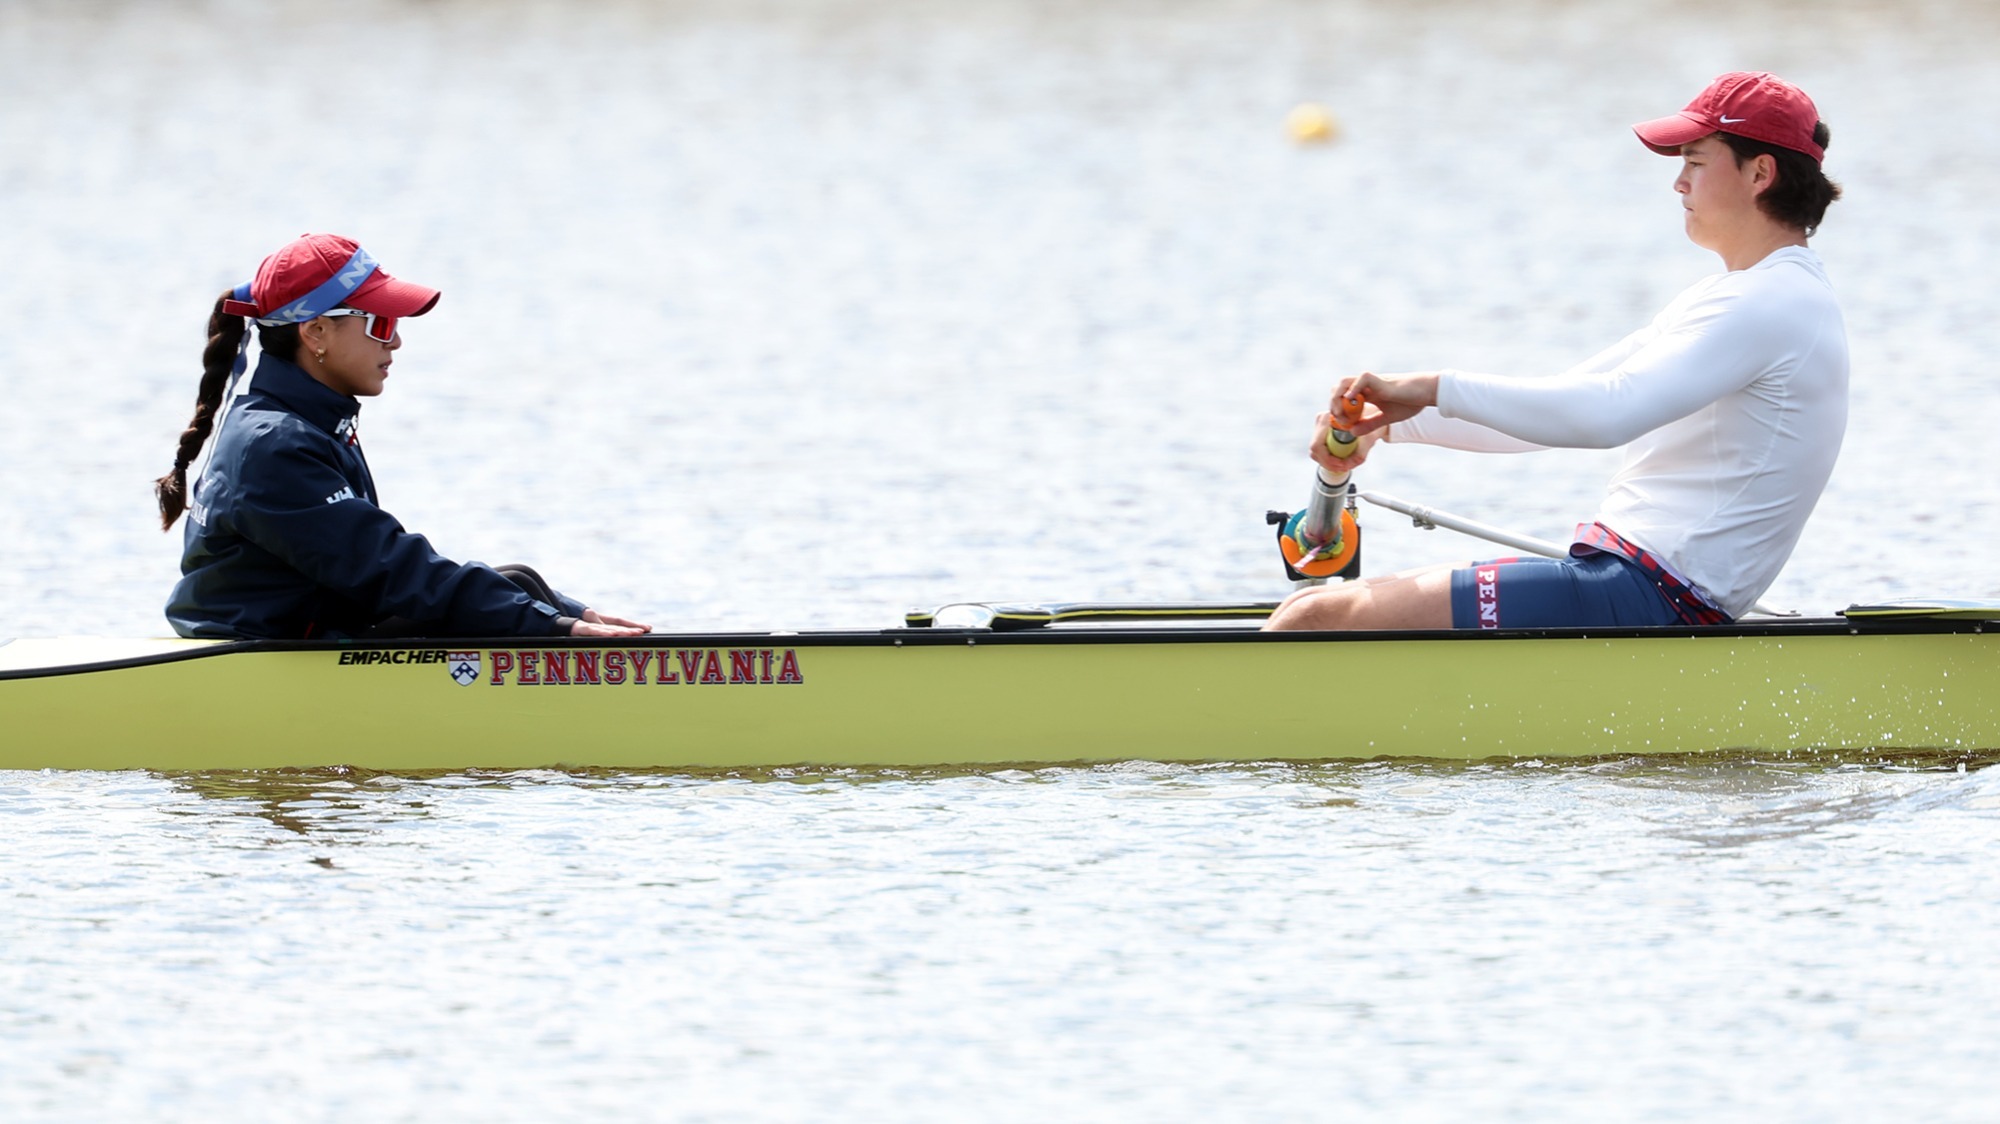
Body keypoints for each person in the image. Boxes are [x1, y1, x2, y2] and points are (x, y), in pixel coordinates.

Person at [1265, 72, 1847, 632]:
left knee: (1310, 619)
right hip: (1627, 585)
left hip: (1649, 595)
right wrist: (1387, 425)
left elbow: (1606, 414)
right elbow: (1555, 409)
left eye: (1696, 162)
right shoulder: (1744, 296)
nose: (1679, 183)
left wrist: (1431, 386)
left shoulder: (1769, 303)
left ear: (1760, 173)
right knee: (1324, 612)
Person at [157, 233, 649, 640]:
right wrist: (553, 627)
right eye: (380, 322)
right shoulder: (275, 444)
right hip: (263, 659)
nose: (395, 340)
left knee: (518, 581)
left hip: (309, 632)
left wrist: (569, 615)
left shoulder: (307, 422)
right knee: (514, 611)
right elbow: (393, 570)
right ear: (317, 333)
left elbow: (387, 570)